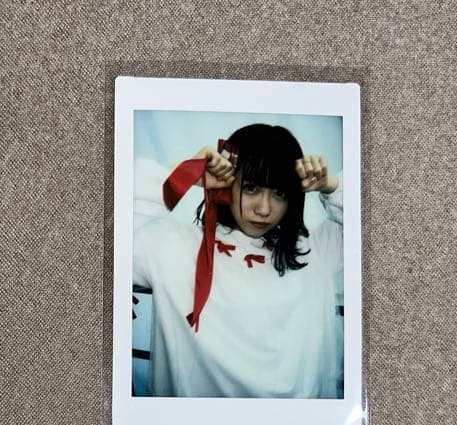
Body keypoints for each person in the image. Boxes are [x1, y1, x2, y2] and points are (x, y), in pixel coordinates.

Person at [133, 123, 344, 398]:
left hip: (293, 423)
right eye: (252, 188)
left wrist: (331, 186)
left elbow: (381, 228)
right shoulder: (173, 247)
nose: (264, 209)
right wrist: (183, 174)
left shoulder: (313, 250)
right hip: (194, 423)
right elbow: (102, 233)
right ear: (227, 184)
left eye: (279, 193)